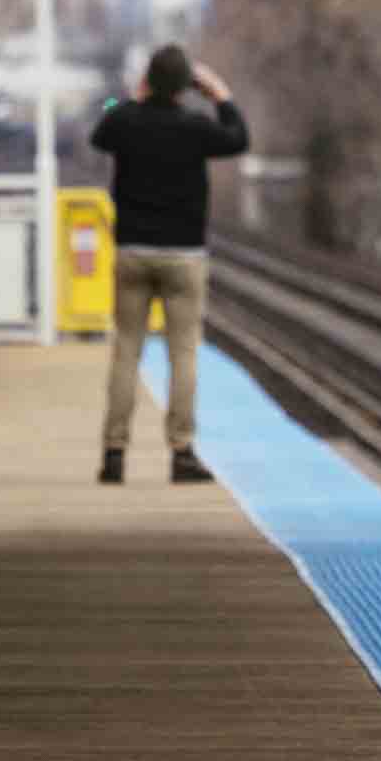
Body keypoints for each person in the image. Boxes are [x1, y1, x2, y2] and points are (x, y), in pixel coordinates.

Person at [87, 44, 246, 484]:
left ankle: (114, 454)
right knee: (183, 354)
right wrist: (221, 95)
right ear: (185, 87)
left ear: (147, 82)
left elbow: (101, 129)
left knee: (126, 351)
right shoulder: (196, 127)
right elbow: (238, 138)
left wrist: (135, 97)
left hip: (133, 251)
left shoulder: (125, 121)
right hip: (184, 255)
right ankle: (182, 453)